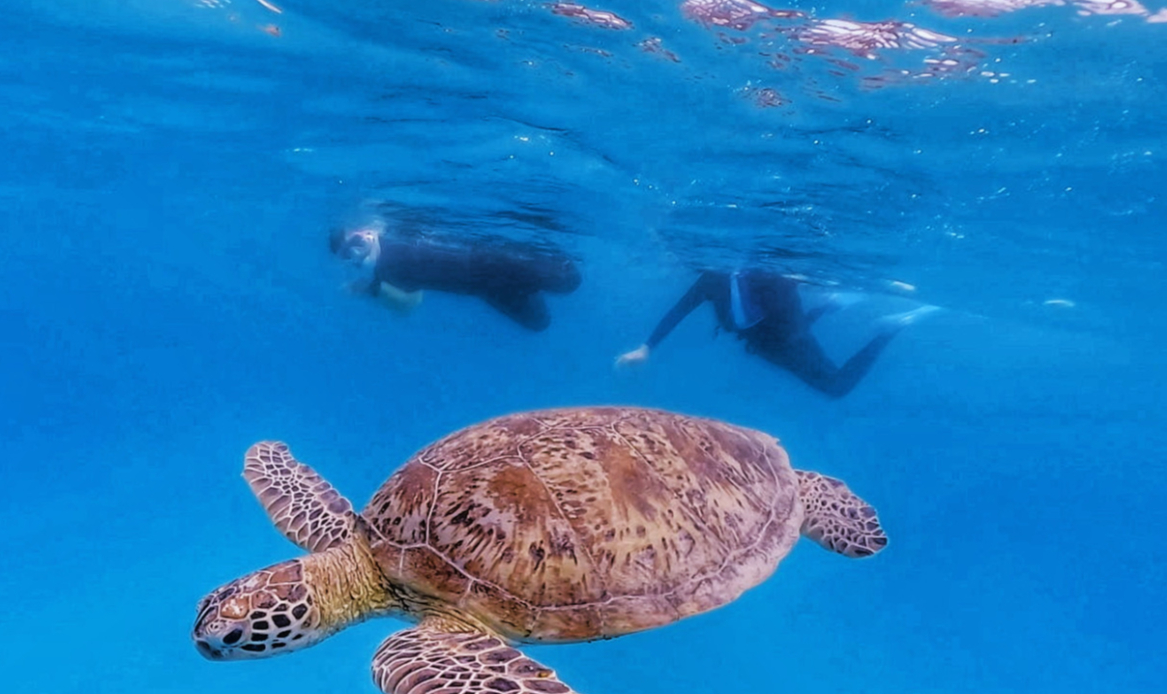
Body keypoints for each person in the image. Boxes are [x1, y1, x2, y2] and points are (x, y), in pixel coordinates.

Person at [615, 267, 935, 398]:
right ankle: (829, 306)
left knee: (836, 386)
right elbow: (680, 309)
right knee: (806, 348)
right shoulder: (725, 274)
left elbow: (680, 309)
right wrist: (647, 347)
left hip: (779, 338)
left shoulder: (714, 277)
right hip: (778, 334)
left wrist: (647, 347)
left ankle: (885, 329)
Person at [330, 225, 580, 331]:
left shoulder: (393, 251)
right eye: (348, 254)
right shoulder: (385, 270)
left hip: (498, 266)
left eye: (356, 242)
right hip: (488, 286)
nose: (357, 252)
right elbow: (408, 301)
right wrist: (371, 289)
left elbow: (408, 303)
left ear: (367, 232)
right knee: (540, 322)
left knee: (567, 279)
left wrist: (370, 289)